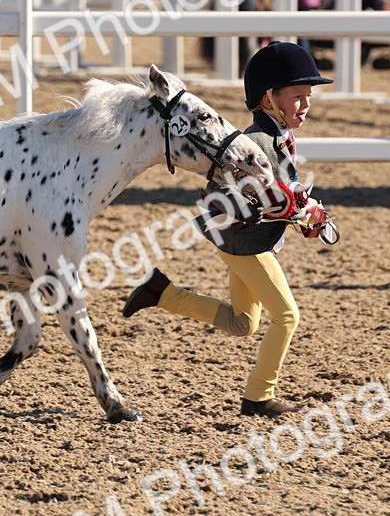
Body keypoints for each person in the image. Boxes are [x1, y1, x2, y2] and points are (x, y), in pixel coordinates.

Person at [122, 41, 333, 418]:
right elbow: (223, 199)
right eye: (298, 96)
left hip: (246, 240)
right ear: (268, 99)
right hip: (243, 243)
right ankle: (258, 396)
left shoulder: (276, 138)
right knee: (287, 317)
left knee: (243, 323)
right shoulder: (254, 143)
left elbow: (282, 192)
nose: (306, 104)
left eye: (308, 96)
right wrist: (284, 211)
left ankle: (162, 293)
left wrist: (303, 214)